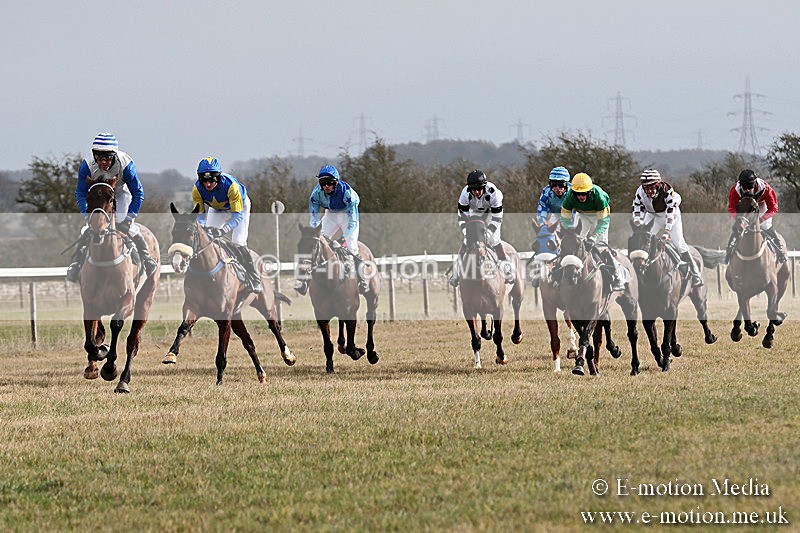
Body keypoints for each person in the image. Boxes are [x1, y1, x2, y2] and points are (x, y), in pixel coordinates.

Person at [67, 132, 158, 283]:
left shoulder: (126, 164)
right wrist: (87, 214)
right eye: (100, 158)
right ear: (94, 156)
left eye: (108, 158)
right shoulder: (87, 165)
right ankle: (76, 263)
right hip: (98, 196)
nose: (104, 162)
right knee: (88, 228)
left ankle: (146, 258)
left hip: (120, 194)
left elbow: (138, 192)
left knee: (125, 224)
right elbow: (80, 193)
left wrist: (129, 218)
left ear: (114, 155)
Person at [191, 157, 263, 293]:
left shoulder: (231, 186)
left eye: (212, 180)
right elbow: (200, 216)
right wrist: (203, 227)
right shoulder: (197, 189)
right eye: (204, 180)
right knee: (207, 239)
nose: (208, 184)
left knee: (238, 241)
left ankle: (254, 278)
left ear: (218, 177)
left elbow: (237, 216)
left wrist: (223, 230)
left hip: (239, 209)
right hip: (217, 208)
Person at [295, 164, 368, 296]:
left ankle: (362, 281)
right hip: (331, 215)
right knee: (316, 243)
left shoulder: (348, 194)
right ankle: (305, 281)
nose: (326, 186)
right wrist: (317, 233)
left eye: (329, 183)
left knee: (352, 247)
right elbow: (314, 218)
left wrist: (343, 239)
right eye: (323, 183)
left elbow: (353, 221)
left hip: (348, 216)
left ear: (336, 182)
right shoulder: (316, 194)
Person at [632, 168, 703, 287]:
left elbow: (670, 215)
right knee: (642, 237)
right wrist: (638, 224)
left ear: (658, 184)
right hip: (652, 215)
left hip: (670, 215)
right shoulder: (640, 191)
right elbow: (637, 209)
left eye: (652, 187)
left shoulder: (667, 190)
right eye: (646, 188)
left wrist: (666, 233)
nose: (649, 191)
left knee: (679, 243)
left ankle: (695, 273)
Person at [559, 172, 625, 291]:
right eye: (578, 194)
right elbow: (564, 218)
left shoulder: (599, 197)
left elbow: (603, 222)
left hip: (599, 217)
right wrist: (569, 230)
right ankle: (564, 276)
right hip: (583, 216)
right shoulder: (569, 197)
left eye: (584, 193)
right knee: (575, 243)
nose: (581, 197)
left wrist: (593, 237)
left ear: (589, 192)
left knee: (601, 247)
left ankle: (617, 276)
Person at [449, 169, 514, 287]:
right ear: (469, 189)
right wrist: (467, 233)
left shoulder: (494, 194)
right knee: (467, 241)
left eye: (479, 189)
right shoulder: (464, 195)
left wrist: (488, 233)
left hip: (491, 214)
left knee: (494, 240)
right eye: (474, 189)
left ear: (484, 187)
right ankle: (456, 271)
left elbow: (496, 218)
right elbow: (462, 217)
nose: (477, 192)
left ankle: (507, 269)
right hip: (474, 213)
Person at [726, 169, 786, 263]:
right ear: (740, 184)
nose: (747, 190)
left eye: (749, 186)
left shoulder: (765, 188)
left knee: (765, 226)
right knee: (738, 228)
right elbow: (732, 208)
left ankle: (780, 250)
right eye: (744, 187)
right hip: (745, 207)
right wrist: (739, 220)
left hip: (761, 206)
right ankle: (729, 251)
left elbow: (774, 208)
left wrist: (762, 219)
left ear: (755, 183)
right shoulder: (735, 190)